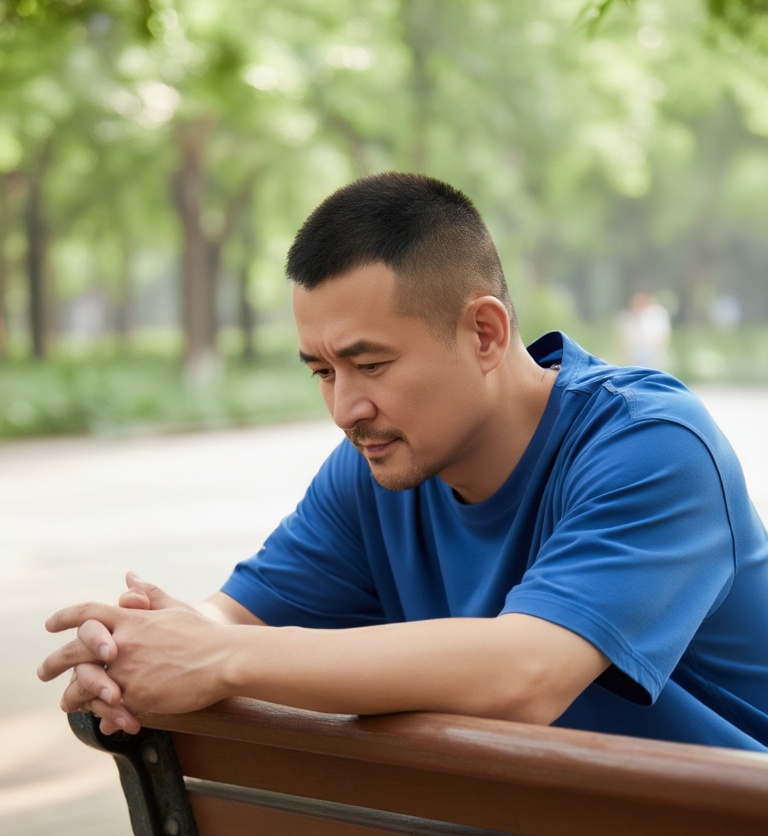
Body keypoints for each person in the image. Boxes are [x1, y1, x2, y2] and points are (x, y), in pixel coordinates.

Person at [38, 173, 768, 751]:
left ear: (485, 332)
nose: (345, 409)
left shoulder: (651, 447)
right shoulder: (374, 471)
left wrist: (218, 659)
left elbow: (527, 672)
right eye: (323, 372)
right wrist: (130, 645)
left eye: (370, 364)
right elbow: (227, 620)